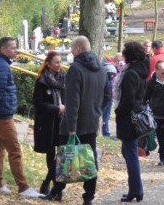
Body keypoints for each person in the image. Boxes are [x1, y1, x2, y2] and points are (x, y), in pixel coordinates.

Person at [47, 36, 110, 204]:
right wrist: (96, 112)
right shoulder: (102, 69)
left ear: (78, 50)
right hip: (91, 122)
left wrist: (71, 128)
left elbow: (72, 101)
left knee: (64, 157)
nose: (70, 52)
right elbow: (107, 96)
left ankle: (56, 190)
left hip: (72, 123)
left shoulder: (76, 69)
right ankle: (88, 196)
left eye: (72, 49)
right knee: (90, 159)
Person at [0, 37, 43, 198]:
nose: (16, 51)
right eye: (13, 48)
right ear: (3, 49)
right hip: (2, 115)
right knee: (14, 150)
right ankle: (23, 187)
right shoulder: (1, 67)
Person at [115, 42, 148, 203]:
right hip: (134, 115)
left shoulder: (130, 74)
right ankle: (134, 189)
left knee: (131, 155)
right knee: (128, 152)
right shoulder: (140, 71)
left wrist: (118, 111)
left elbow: (128, 98)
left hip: (128, 118)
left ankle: (136, 190)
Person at [32, 51, 66, 198]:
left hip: (63, 122)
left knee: (61, 154)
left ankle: (49, 184)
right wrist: (56, 109)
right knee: (50, 153)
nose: (59, 65)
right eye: (56, 62)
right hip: (48, 123)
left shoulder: (64, 78)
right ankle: (55, 188)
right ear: (49, 63)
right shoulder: (42, 81)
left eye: (60, 62)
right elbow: (38, 103)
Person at [101, 57, 118, 137]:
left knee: (105, 115)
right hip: (108, 97)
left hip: (105, 96)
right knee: (106, 115)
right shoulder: (110, 71)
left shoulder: (102, 69)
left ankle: (105, 131)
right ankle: (106, 132)